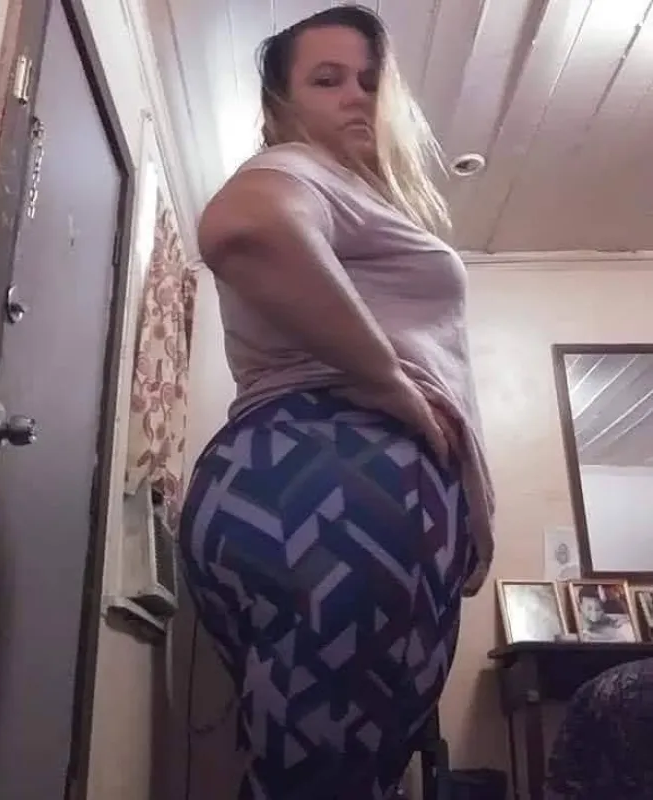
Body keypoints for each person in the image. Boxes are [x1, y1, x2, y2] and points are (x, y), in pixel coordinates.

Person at [178, 5, 495, 798]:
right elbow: (244, 227)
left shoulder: (351, 195)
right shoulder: (294, 167)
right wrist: (393, 385)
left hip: (278, 484)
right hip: (344, 488)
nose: (355, 95)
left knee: (301, 772)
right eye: (326, 80)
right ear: (279, 108)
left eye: (368, 80)